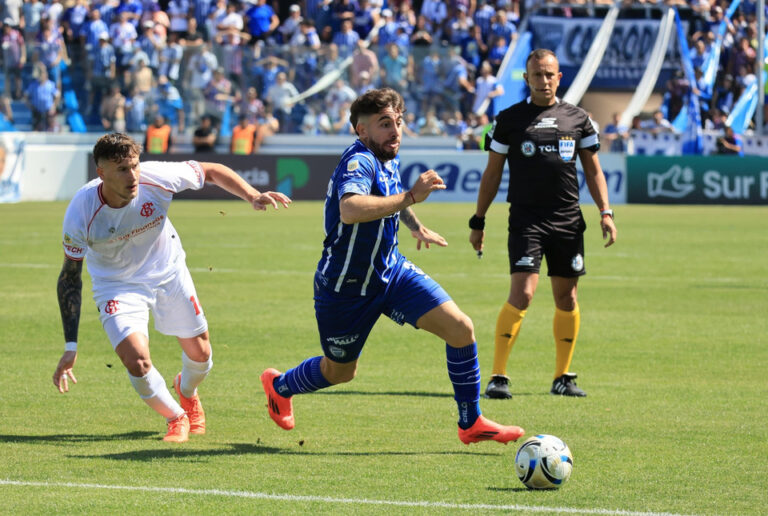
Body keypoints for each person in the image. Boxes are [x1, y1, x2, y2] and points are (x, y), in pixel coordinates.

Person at [260, 88, 525, 445]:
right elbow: (351, 209)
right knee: (340, 372)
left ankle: (471, 421)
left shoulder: (386, 156)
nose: (395, 131)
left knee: (461, 329)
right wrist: (413, 196)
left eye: (398, 122)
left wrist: (416, 225)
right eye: (385, 124)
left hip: (391, 273)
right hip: (346, 288)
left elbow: (392, 193)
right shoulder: (359, 161)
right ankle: (280, 386)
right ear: (361, 130)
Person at [53, 132, 291, 443]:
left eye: (135, 165)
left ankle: (187, 391)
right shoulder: (80, 213)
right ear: (101, 173)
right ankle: (175, 417)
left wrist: (250, 195)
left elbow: (211, 171)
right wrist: (71, 346)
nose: (133, 175)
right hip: (117, 286)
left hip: (168, 271)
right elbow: (70, 277)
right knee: (136, 359)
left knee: (202, 355)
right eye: (122, 169)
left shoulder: (157, 178)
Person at [469, 49, 617, 400]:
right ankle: (498, 376)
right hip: (526, 220)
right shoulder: (508, 120)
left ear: (559, 77)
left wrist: (605, 212)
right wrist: (478, 220)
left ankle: (562, 376)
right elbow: (492, 174)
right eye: (537, 75)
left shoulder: (578, 119)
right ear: (527, 79)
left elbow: (593, 170)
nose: (544, 80)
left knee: (567, 297)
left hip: (567, 220)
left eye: (550, 74)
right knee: (523, 293)